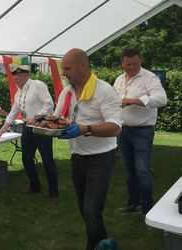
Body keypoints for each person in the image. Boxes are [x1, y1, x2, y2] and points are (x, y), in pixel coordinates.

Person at [54, 48, 122, 250]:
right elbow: (58, 118)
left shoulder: (104, 90)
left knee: (91, 210)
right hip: (77, 157)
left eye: (67, 68)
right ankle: (104, 245)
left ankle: (96, 247)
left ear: (83, 66)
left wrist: (86, 129)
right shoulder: (67, 92)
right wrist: (41, 122)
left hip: (101, 158)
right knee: (85, 210)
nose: (64, 72)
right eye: (62, 68)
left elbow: (116, 127)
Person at [113, 48, 167, 215]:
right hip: (123, 130)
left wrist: (134, 101)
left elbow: (162, 99)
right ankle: (133, 203)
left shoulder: (150, 78)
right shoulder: (119, 79)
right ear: (122, 63)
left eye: (135, 63)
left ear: (140, 61)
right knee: (129, 169)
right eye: (128, 64)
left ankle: (147, 208)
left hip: (142, 131)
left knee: (142, 170)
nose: (131, 67)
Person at [0, 63, 59, 205]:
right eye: (15, 78)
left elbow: (49, 104)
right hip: (27, 128)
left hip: (41, 127)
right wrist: (3, 129)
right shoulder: (19, 93)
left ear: (25, 76)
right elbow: (13, 113)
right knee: (26, 159)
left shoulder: (38, 85)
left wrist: (36, 117)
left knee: (47, 160)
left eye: (17, 78)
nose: (15, 81)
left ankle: (53, 192)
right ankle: (35, 186)